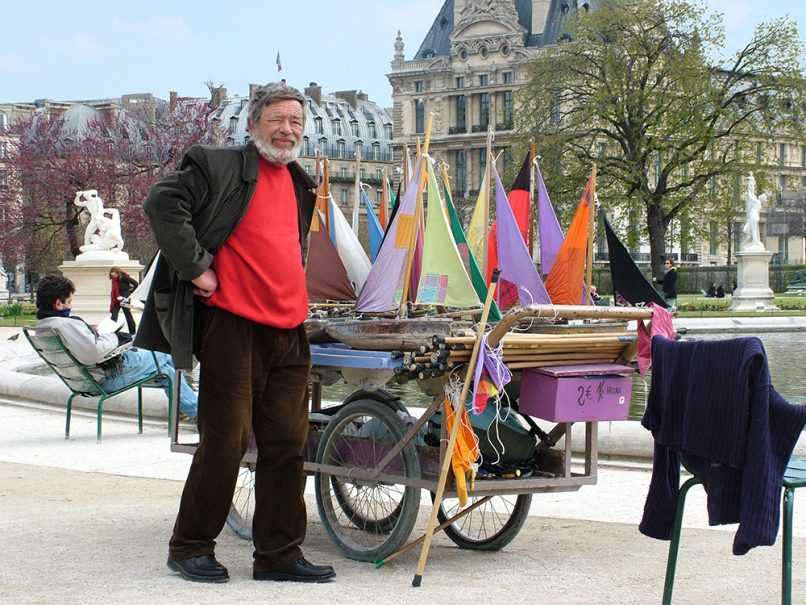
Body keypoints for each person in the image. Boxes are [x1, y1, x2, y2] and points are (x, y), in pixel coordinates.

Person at [136, 82, 333, 584]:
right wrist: (196, 267)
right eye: (277, 119)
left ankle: (278, 555)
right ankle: (190, 546)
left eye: (295, 121)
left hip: (289, 328)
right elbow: (162, 202)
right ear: (253, 124)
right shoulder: (217, 164)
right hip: (232, 323)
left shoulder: (300, 183)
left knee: (288, 445)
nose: (287, 130)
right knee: (225, 441)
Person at [34, 274, 197, 419]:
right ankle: (195, 404)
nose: (71, 306)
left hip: (85, 380)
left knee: (166, 372)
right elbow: (93, 353)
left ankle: (192, 408)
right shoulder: (64, 325)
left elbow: (84, 348)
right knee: (162, 352)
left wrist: (94, 333)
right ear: (58, 303)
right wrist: (114, 337)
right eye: (69, 301)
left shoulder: (45, 326)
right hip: (106, 378)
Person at [109, 267, 138, 333]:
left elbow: (136, 283)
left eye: (113, 273)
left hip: (125, 298)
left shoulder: (124, 277)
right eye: (111, 273)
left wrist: (130, 292)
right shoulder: (114, 279)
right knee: (114, 314)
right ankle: (111, 331)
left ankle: (132, 332)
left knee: (127, 314)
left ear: (117, 272)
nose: (112, 274)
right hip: (116, 299)